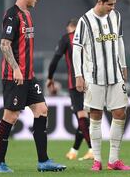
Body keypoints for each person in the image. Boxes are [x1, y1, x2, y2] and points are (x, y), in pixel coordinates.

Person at [0, 0, 66, 173]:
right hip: (14, 76)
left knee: (41, 109)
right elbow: (4, 44)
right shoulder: (12, 15)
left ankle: (43, 161)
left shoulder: (27, 14)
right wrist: (16, 68)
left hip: (28, 76)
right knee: (11, 116)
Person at [72, 0, 130, 171]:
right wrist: (79, 75)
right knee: (96, 116)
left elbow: (119, 41)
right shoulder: (85, 20)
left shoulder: (116, 16)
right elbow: (77, 48)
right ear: (99, 2)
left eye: (114, 5)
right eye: (109, 4)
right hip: (94, 77)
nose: (112, 8)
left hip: (115, 75)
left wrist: (123, 65)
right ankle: (97, 160)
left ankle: (114, 159)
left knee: (120, 113)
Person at [46, 18, 93, 161]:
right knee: (85, 119)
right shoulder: (89, 37)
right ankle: (74, 150)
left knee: (82, 117)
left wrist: (50, 78)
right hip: (92, 81)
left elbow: (55, 59)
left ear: (70, 27)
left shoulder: (67, 38)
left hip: (75, 82)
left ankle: (92, 149)